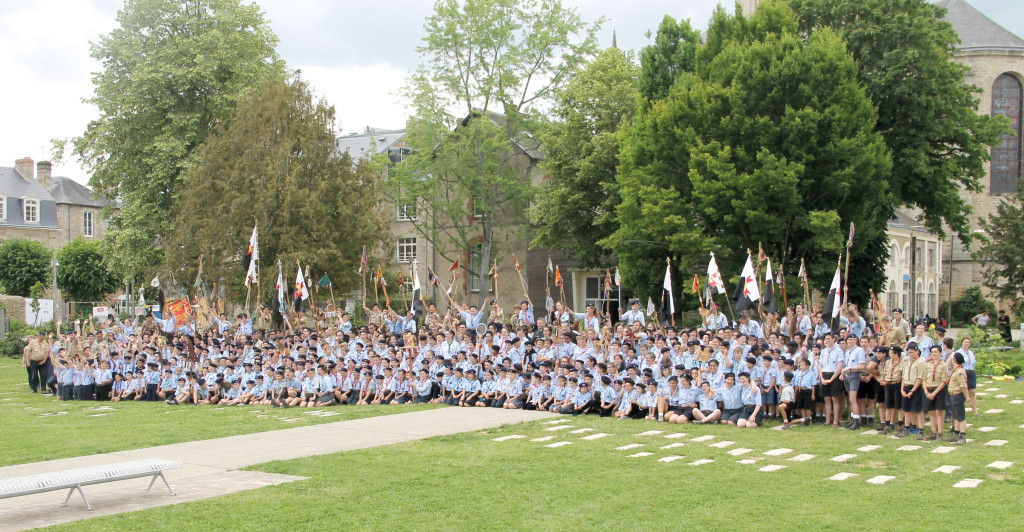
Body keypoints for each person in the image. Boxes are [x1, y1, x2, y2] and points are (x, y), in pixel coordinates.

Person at [897, 343, 926, 439]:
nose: (910, 354)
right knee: (906, 409)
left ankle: (920, 429)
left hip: (915, 387)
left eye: (912, 352)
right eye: (908, 352)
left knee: (918, 409)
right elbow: (904, 377)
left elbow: (919, 378)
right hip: (906, 386)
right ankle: (906, 428)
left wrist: (912, 391)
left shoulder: (920, 362)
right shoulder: (907, 362)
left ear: (917, 352)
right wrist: (902, 389)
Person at [922, 346, 949, 441]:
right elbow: (924, 379)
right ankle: (933, 432)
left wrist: (935, 393)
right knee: (931, 412)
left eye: (936, 352)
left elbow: (944, 381)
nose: (934, 354)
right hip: (929, 389)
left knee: (939, 412)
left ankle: (940, 433)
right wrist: (926, 391)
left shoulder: (943, 365)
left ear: (940, 353)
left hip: (939, 390)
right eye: (932, 352)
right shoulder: (927, 365)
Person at [946, 352, 969, 445]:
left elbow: (963, 386)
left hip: (958, 395)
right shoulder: (956, 370)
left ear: (954, 360)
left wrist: (967, 397)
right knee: (955, 415)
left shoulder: (959, 372)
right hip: (953, 395)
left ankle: (962, 435)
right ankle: (956, 433)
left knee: (960, 415)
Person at [955, 337, 978, 416]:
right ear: (962, 343)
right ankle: (960, 411)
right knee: (962, 391)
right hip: (963, 372)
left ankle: (975, 411)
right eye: (965, 342)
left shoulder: (971, 352)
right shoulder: (958, 352)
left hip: (971, 372)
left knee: (972, 392)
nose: (966, 344)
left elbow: (974, 361)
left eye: (968, 342)